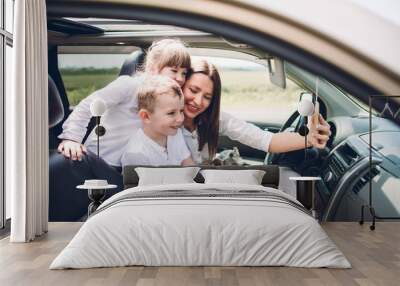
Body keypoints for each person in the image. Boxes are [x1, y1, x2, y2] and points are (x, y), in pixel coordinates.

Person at [50, 39, 191, 221]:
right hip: (99, 163)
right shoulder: (129, 86)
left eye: (184, 73)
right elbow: (89, 105)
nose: (180, 77)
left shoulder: (165, 100)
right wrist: (71, 138)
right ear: (152, 68)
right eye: (174, 70)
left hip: (123, 168)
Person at [180, 58, 331, 164]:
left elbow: (265, 140)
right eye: (193, 90)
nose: (198, 101)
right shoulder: (163, 122)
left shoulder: (215, 119)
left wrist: (309, 138)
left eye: (207, 97)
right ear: (180, 85)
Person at [121, 75, 194, 166]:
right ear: (146, 116)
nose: (180, 119)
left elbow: (188, 164)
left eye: (181, 111)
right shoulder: (136, 154)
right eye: (171, 113)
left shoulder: (175, 134)